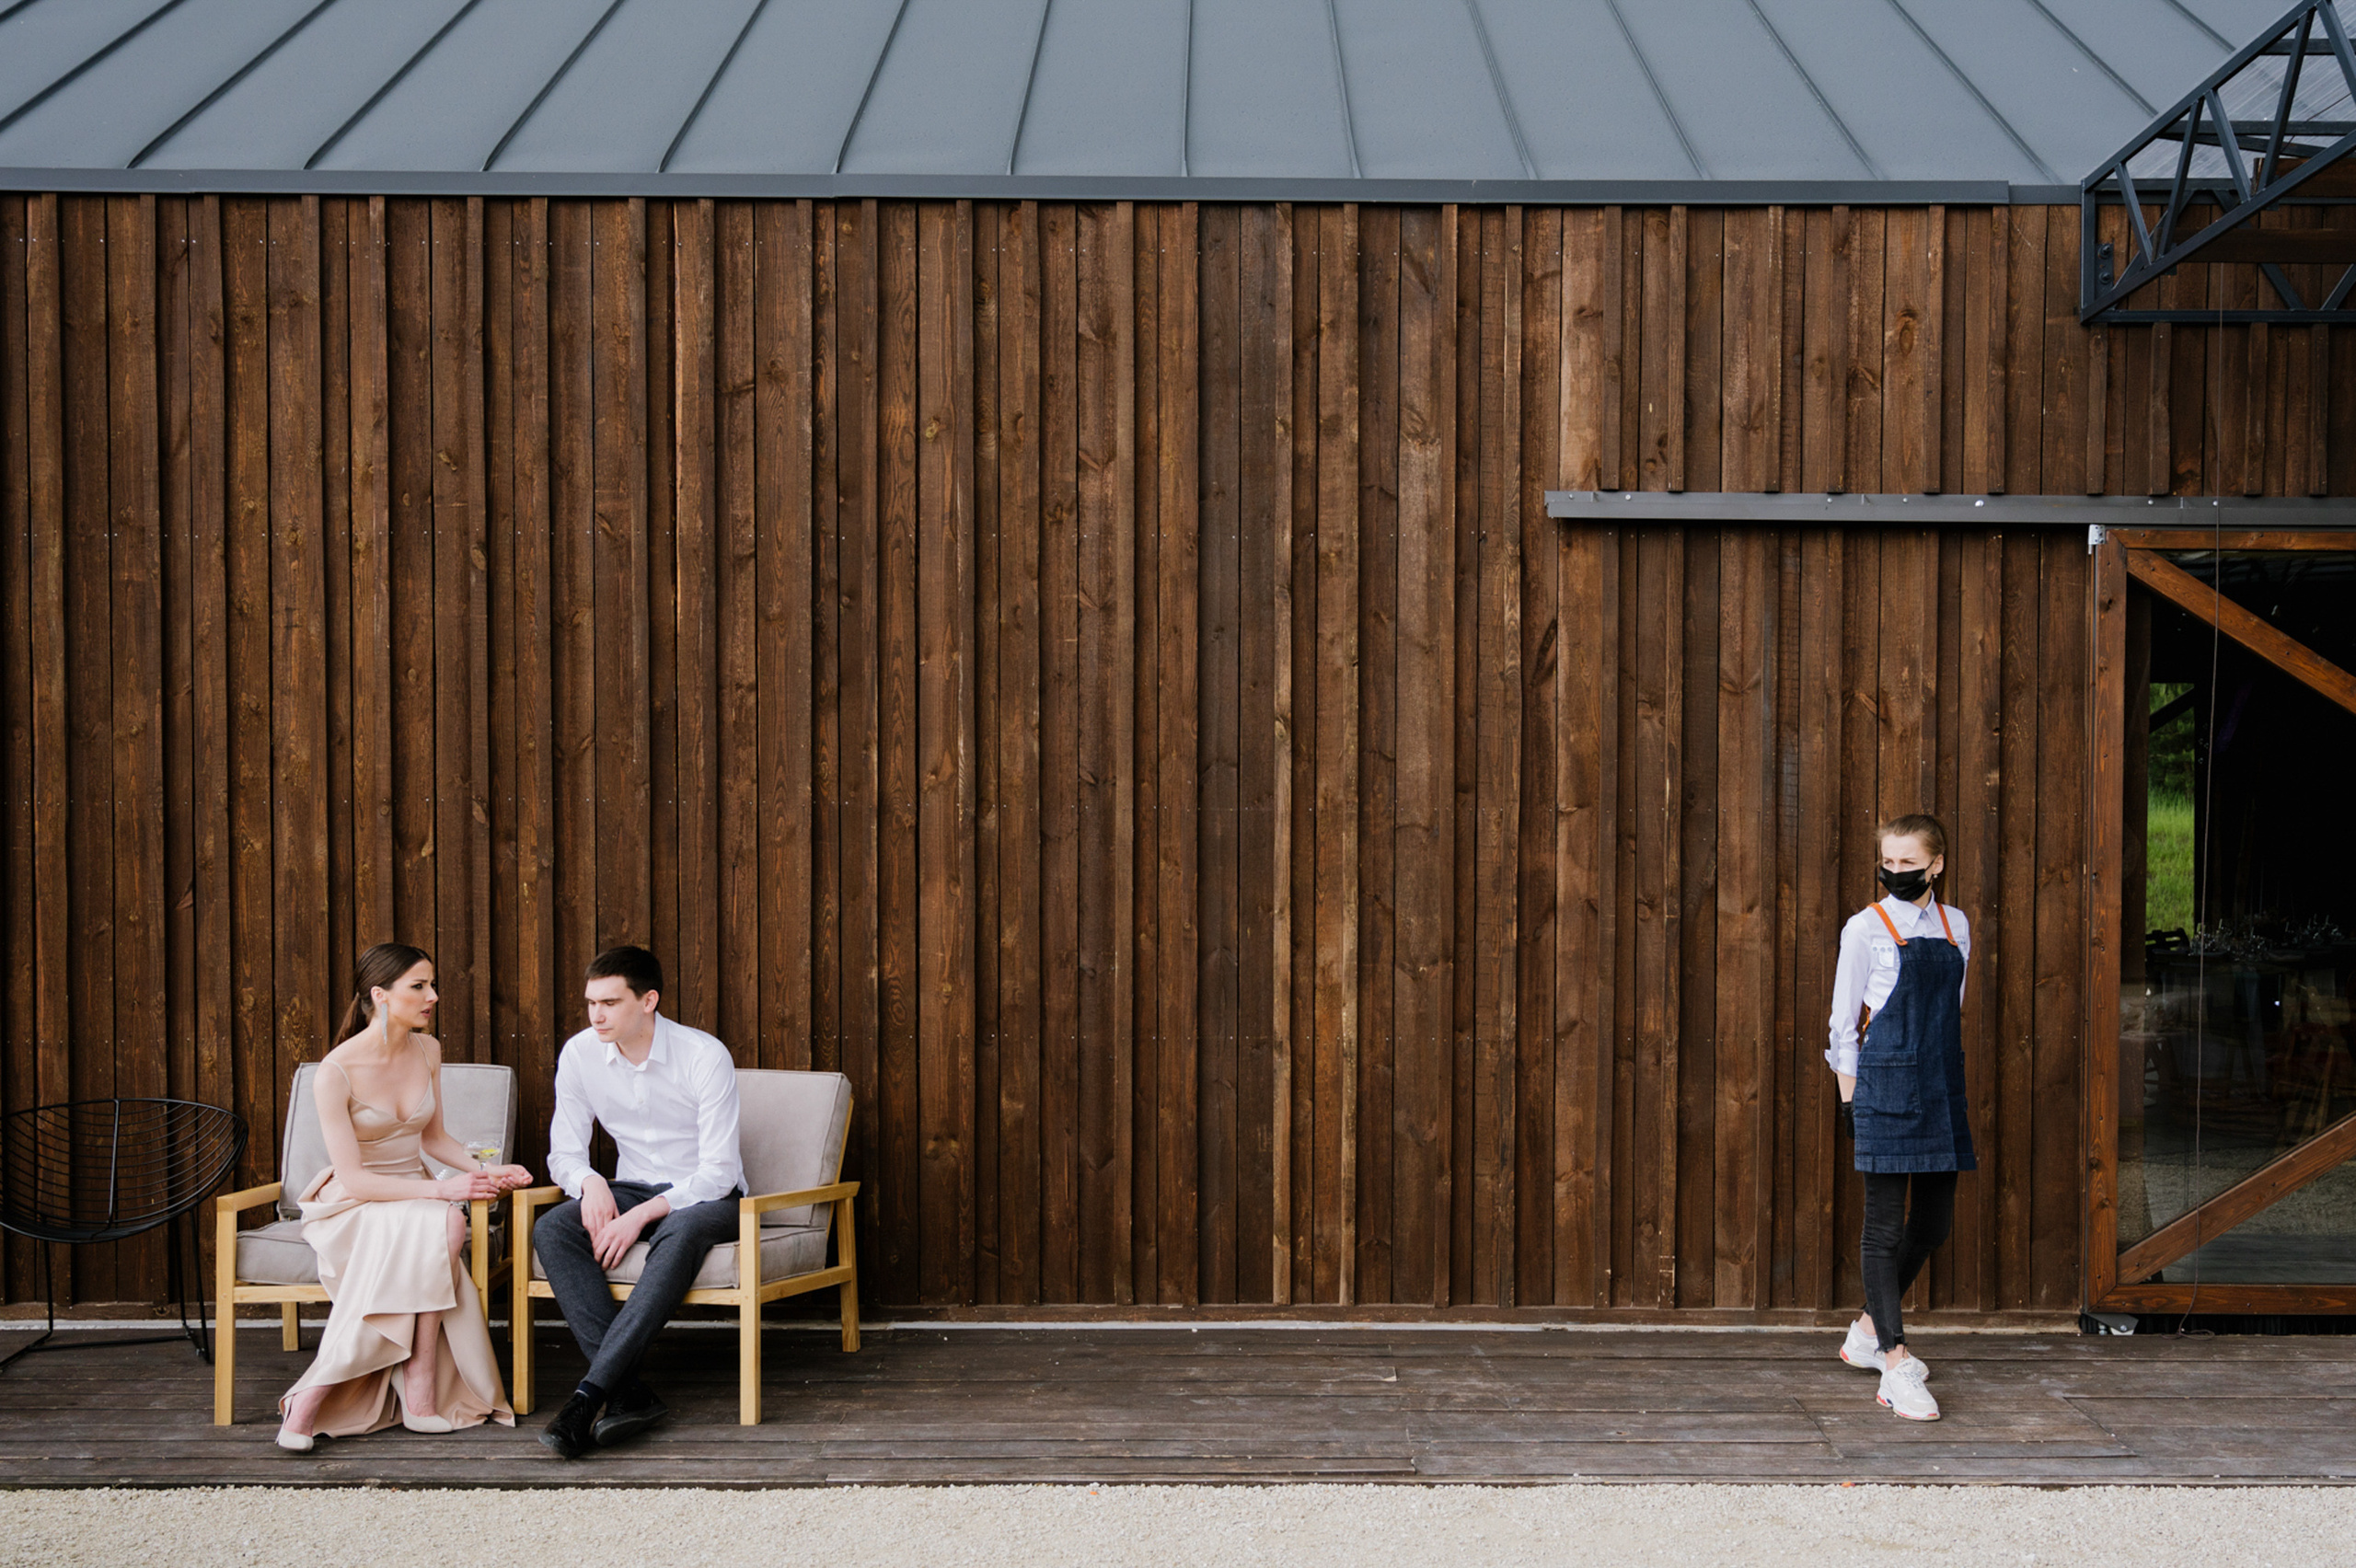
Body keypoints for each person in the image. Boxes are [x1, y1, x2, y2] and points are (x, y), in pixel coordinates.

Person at [276, 943, 535, 1452]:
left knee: (438, 1221)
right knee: (441, 1221)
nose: (432, 996)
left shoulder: (428, 1050)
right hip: (353, 1202)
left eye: (431, 984)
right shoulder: (335, 1071)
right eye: (419, 986)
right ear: (381, 995)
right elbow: (353, 1179)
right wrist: (442, 1190)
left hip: (412, 1193)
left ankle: (393, 1392)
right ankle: (388, 1389)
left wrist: (487, 1170)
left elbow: (434, 1140)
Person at [535, 946, 745, 1458]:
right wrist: (591, 1183)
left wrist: (643, 1214)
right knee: (553, 1229)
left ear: (648, 1000)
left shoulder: (704, 1055)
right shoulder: (581, 1053)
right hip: (629, 1184)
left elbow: (717, 1172)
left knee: (681, 1232)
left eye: (610, 1002)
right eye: (590, 1003)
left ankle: (588, 1397)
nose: (596, 1015)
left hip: (707, 1196)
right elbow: (563, 1151)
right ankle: (629, 1392)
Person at [1828, 814, 1974, 1423]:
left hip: (1939, 1083)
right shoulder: (1865, 928)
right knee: (1884, 1226)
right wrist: (1848, 1103)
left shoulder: (1955, 925)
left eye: (1909, 865)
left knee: (1933, 1224)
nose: (1896, 873)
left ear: (1936, 865)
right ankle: (1893, 1361)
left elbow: (1952, 1011)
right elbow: (1842, 1027)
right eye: (1888, 862)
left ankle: (1864, 1329)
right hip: (1883, 1087)